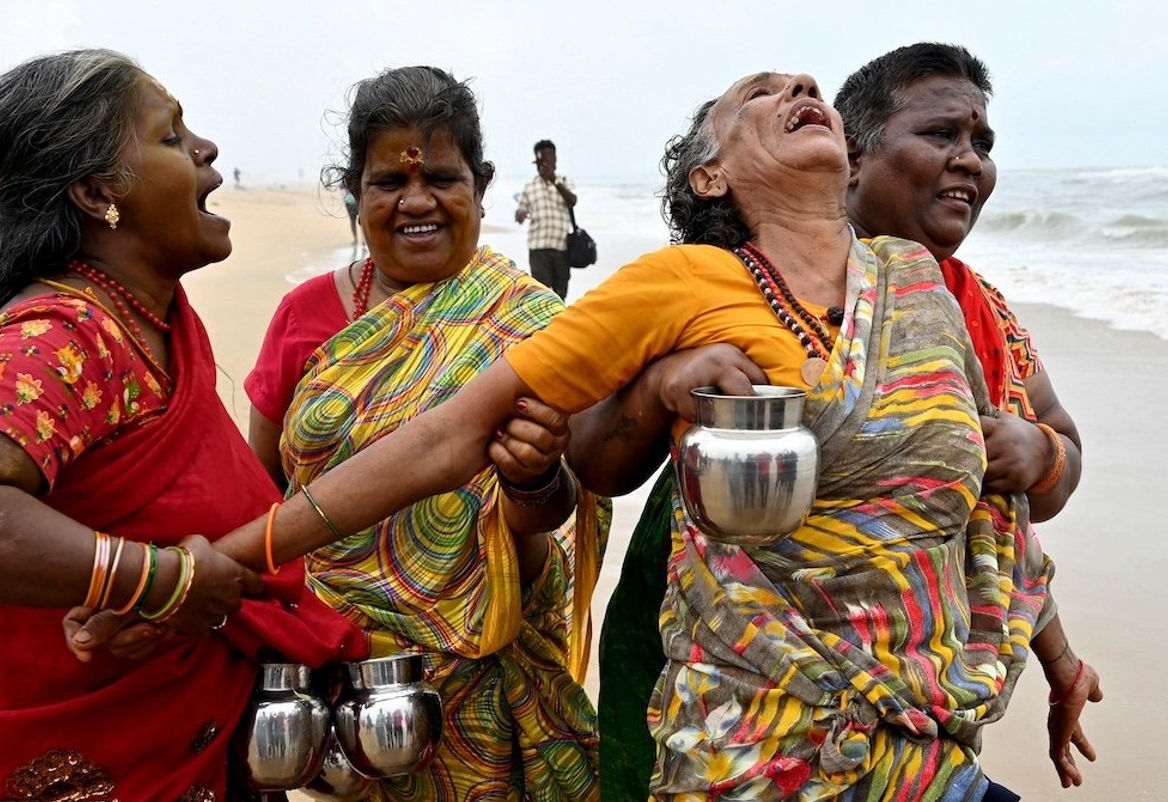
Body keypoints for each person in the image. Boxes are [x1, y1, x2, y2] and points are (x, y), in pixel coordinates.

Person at [206, 69, 1056, 800]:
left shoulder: (920, 288)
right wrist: (223, 560)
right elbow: (456, 438)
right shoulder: (685, 285)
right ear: (713, 177)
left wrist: (1054, 647)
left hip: (928, 721)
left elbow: (985, 514)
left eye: (806, 85)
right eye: (758, 93)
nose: (799, 87)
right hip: (760, 731)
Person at [589, 43, 1101, 797]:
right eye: (940, 136)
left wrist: (1041, 452)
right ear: (851, 156)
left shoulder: (974, 309)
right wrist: (664, 385)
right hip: (724, 648)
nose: (969, 161)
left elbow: (1004, 509)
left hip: (913, 680)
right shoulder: (733, 275)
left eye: (982, 144)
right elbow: (597, 458)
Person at [0, 49, 366, 800]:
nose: (207, 149)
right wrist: (162, 581)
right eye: (171, 137)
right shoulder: (61, 336)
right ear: (96, 192)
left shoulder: (144, 326)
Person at [243, 66, 611, 800]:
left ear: (480, 184)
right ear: (355, 191)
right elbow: (263, 499)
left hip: (481, 685)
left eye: (442, 177)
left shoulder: (539, 326)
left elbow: (553, 522)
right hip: (338, 692)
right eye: (388, 183)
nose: (417, 201)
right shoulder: (304, 317)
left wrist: (532, 481)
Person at [515, 139, 577, 299]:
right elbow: (520, 210)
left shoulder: (565, 181)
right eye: (539, 162)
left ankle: (557, 323)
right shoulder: (530, 187)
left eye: (546, 161)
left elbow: (572, 201)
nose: (543, 165)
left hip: (561, 248)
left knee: (560, 294)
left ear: (554, 160)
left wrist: (554, 180)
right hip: (538, 248)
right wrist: (520, 214)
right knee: (542, 294)